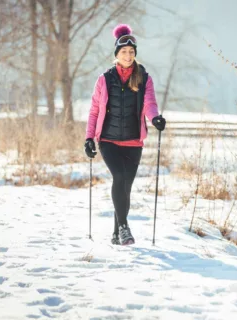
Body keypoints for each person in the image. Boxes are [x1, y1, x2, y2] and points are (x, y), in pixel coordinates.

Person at [84, 24, 166, 246]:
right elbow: (94, 111)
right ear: (116, 54)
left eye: (131, 52)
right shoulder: (105, 78)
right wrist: (89, 138)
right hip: (108, 140)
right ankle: (124, 227)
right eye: (124, 52)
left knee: (125, 187)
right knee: (119, 178)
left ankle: (115, 233)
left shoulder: (144, 78)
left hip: (133, 141)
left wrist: (155, 118)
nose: (128, 55)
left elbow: (149, 103)